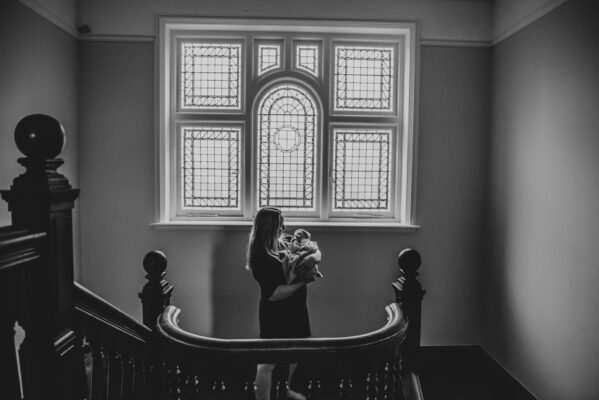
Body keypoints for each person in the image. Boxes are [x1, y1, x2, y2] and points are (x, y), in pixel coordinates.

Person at [246, 207, 321, 400]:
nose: (284, 228)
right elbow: (274, 294)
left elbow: (314, 248)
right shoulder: (260, 256)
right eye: (280, 224)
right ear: (270, 227)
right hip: (275, 313)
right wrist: (304, 281)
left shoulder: (285, 242)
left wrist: (313, 256)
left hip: (296, 309)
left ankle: (284, 389)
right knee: (268, 362)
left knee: (296, 353)